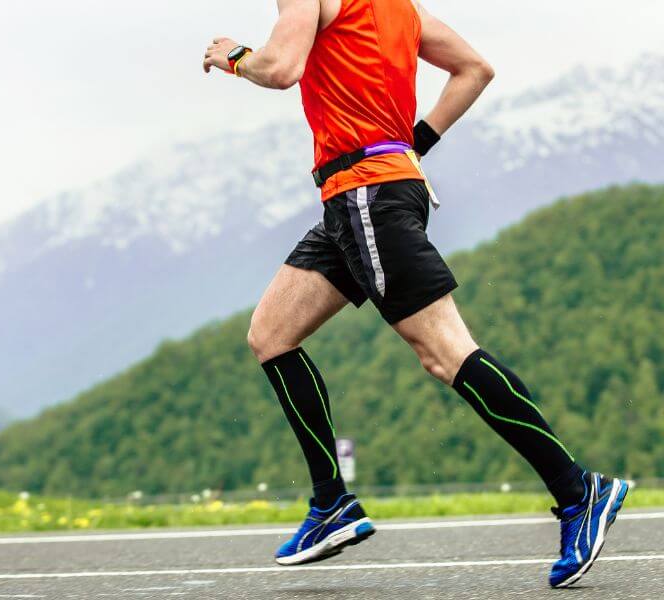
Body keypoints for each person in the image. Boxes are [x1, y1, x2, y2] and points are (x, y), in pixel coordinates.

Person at [203, 0, 628, 588]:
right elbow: (476, 69)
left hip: (367, 199)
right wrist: (412, 144)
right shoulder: (397, 6)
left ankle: (580, 491)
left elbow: (279, 68)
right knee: (271, 335)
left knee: (446, 352)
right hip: (358, 198)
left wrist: (234, 56)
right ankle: (331, 503)